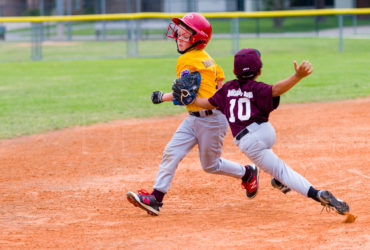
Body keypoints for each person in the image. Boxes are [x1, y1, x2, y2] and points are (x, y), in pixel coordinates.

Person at [126, 13, 265, 216]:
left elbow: (185, 96)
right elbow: (219, 82)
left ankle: (247, 172)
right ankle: (155, 199)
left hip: (211, 121)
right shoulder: (207, 58)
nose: (178, 37)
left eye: (184, 34)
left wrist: (162, 97)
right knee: (171, 153)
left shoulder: (187, 61)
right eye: (179, 33)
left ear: (197, 39)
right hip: (194, 119)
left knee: (211, 165)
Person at [193, 48, 350, 215]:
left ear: (233, 71)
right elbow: (276, 89)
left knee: (282, 170)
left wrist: (191, 98)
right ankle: (279, 181)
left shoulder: (227, 89)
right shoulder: (257, 88)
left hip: (249, 141)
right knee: (273, 166)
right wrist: (297, 76)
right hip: (265, 132)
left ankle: (317, 194)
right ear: (259, 71)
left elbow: (207, 103)